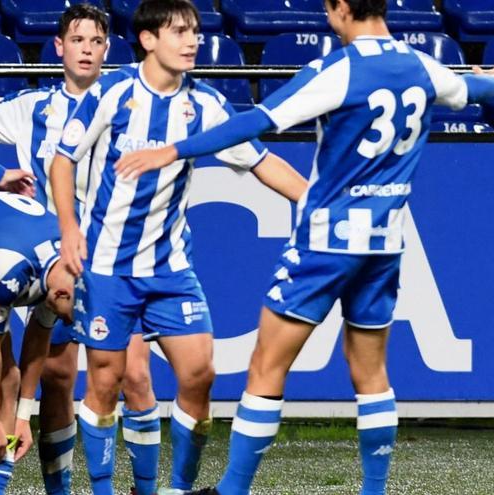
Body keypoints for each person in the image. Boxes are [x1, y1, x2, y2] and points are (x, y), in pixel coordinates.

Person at [113, 1, 494, 494]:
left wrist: (173, 149)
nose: (328, 18)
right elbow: (470, 89)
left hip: (325, 245)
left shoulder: (337, 71)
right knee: (371, 374)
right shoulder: (421, 65)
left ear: (342, 8)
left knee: (266, 368)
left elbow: (258, 120)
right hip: (385, 244)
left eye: (329, 9)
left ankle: (232, 490)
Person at [49, 1, 307, 493]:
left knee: (199, 374)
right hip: (108, 267)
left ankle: (178, 489)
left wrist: (317, 203)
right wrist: (68, 229)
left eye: (196, 32)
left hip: (170, 269)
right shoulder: (112, 91)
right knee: (106, 383)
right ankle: (104, 489)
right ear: (148, 40)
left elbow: (261, 160)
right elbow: (63, 161)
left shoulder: (207, 104)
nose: (193, 41)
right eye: (180, 32)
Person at [0, 5, 163, 493]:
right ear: (59, 47)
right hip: (46, 259)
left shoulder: (128, 102)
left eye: (97, 41)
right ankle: (51, 487)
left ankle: (145, 489)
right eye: (78, 40)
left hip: (109, 259)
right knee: (46, 378)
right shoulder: (29, 109)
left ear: (107, 49)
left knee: (130, 372)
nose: (87, 50)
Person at [0, 191, 77, 494]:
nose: (65, 320)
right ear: (61, 296)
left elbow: (39, 337)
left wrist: (24, 417)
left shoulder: (68, 273)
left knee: (8, 380)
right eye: (67, 318)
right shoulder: (10, 271)